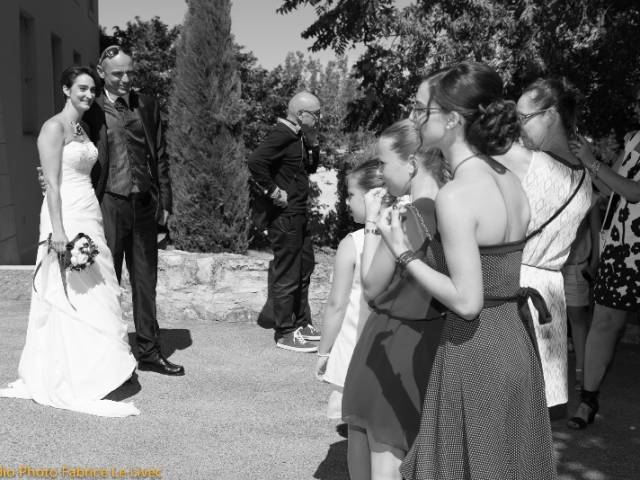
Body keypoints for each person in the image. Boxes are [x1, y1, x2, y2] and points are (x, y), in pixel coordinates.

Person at [395, 62, 556, 480]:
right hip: (516, 346)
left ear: (451, 120)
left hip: (475, 348)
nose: (415, 117)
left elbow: (467, 302)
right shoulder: (510, 182)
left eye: (422, 110)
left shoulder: (457, 196)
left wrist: (405, 254)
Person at [0, 66, 139, 417]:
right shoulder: (52, 127)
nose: (88, 94)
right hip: (64, 215)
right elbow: (53, 183)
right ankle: (70, 373)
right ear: (65, 89)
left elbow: (76, 170)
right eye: (81, 88)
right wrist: (58, 231)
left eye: (92, 89)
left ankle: (96, 366)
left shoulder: (84, 127)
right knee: (66, 293)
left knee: (95, 286)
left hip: (88, 211)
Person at [341, 120, 447, 480]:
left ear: (412, 164)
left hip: (392, 341)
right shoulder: (451, 212)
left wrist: (373, 224)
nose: (381, 173)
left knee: (380, 453)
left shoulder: (406, 217)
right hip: (435, 342)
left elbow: (372, 288)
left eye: (384, 163)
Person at [84, 45, 183, 376]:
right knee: (104, 283)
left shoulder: (147, 104)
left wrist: (165, 202)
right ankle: (105, 355)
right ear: (102, 73)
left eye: (130, 72)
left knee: (145, 282)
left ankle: (150, 352)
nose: (125, 79)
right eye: (117, 74)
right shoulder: (90, 109)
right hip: (107, 204)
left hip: (143, 205)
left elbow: (161, 154)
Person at [497, 78, 592, 415]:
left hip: (514, 286)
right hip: (550, 293)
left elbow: (473, 141)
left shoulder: (533, 163)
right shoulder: (584, 177)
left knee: (504, 406)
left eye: (524, 118)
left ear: (551, 115)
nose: (519, 128)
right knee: (533, 412)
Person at [566, 84, 640, 429]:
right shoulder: (634, 139)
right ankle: (588, 401)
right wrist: (588, 170)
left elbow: (636, 193)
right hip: (621, 251)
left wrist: (591, 162)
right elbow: (616, 192)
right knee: (605, 323)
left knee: (605, 323)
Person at [247, 91, 322, 352]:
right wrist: (273, 191)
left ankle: (301, 323)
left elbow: (310, 168)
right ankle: (285, 331)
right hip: (285, 217)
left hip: (299, 214)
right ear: (301, 114)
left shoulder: (299, 136)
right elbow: (255, 161)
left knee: (305, 267)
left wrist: (312, 142)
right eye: (316, 113)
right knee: (288, 272)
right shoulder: (282, 133)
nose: (319, 118)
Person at [315, 159, 382, 422]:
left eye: (351, 195)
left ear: (371, 196)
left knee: (357, 427)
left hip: (355, 345)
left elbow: (337, 304)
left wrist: (323, 352)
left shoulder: (353, 243)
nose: (346, 202)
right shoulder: (404, 236)